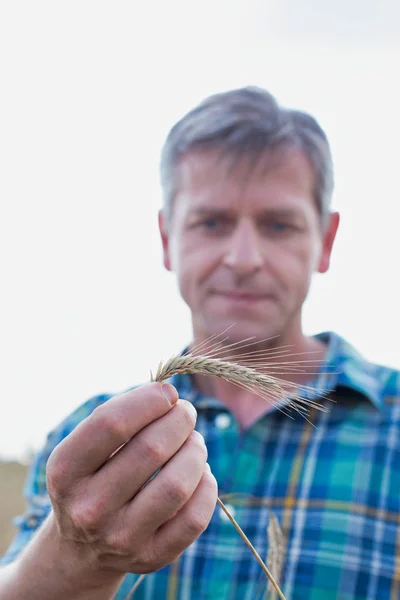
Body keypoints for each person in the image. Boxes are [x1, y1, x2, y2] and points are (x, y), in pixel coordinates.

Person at [1, 86, 399, 600]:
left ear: (325, 240)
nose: (243, 257)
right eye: (212, 222)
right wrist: (74, 558)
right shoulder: (87, 441)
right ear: (167, 239)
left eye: (279, 224)